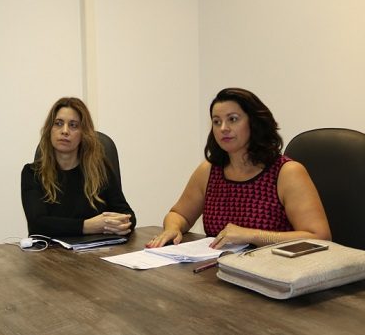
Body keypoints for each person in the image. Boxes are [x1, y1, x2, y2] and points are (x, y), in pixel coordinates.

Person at [146, 88, 331, 249]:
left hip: (276, 278)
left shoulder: (287, 172)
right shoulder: (209, 171)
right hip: (219, 274)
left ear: (254, 123)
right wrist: (173, 228)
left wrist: (252, 235)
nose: (223, 128)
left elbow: (320, 237)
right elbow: (179, 214)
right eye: (216, 122)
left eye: (233, 119)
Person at [21, 97, 136, 237]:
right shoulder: (32, 173)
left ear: (83, 134)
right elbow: (37, 224)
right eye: (58, 123)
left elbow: (128, 215)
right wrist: (87, 226)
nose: (64, 131)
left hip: (96, 253)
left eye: (73, 125)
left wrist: (118, 223)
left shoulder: (100, 171)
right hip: (51, 255)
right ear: (49, 130)